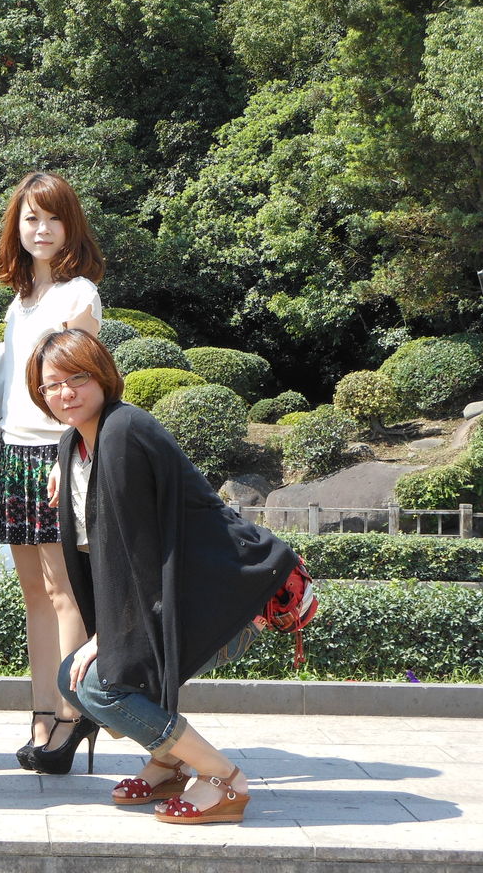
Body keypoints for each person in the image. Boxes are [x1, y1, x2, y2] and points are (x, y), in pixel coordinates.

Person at [30, 329, 298, 823]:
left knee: (103, 686)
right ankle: (169, 762)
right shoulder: (76, 442)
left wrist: (106, 638)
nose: (65, 392)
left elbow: (137, 553)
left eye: (78, 377)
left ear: (103, 376)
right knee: (74, 679)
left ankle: (222, 777)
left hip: (226, 592)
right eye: (52, 384)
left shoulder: (122, 431)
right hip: (176, 591)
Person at [0, 171, 104, 772]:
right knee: (34, 593)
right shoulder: (20, 299)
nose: (42, 228)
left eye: (53, 217)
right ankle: (41, 711)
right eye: (31, 217)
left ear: (70, 226)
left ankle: (71, 712)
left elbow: (79, 391)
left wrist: (70, 454)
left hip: (55, 454)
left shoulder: (78, 295)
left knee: (64, 593)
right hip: (15, 453)